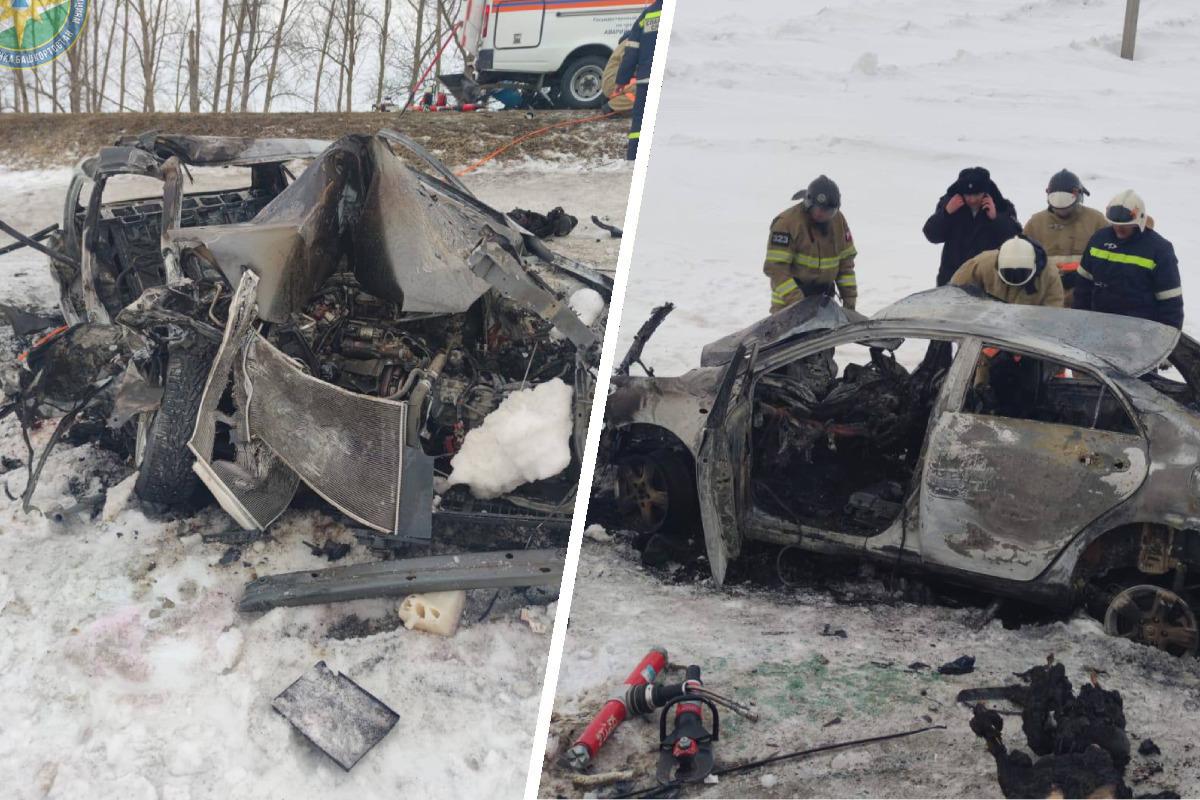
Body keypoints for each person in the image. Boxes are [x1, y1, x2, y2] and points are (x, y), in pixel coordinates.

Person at [1074, 190, 1183, 329]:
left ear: (1139, 220)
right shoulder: (1098, 240)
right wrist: (1079, 323)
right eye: (1114, 224)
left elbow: (1170, 303)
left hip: (1140, 334)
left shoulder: (1160, 250)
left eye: (1125, 225)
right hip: (1097, 327)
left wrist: (1166, 338)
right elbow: (1082, 288)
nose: (1118, 229)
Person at [762, 175, 857, 314]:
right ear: (808, 202)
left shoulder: (838, 221)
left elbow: (846, 265)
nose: (821, 214)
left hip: (824, 305)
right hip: (788, 306)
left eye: (828, 211)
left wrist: (849, 303)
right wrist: (798, 304)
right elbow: (776, 269)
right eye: (818, 208)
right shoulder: (787, 223)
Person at [923, 166, 1022, 286]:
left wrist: (996, 218)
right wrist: (946, 213)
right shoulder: (949, 204)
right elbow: (932, 235)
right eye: (968, 195)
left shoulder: (1002, 207)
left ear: (985, 191)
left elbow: (1015, 241)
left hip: (988, 281)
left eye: (977, 194)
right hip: (952, 280)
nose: (972, 199)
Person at [1022, 169, 1107, 307]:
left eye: (1066, 208)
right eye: (1057, 208)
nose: (1061, 212)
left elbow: (1110, 259)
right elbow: (1022, 260)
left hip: (1085, 297)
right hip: (1048, 298)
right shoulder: (1036, 223)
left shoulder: (1096, 221)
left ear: (1078, 196)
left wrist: (1081, 277)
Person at [950, 235, 1064, 308]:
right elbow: (953, 292)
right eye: (1009, 273)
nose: (1015, 278)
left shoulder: (1050, 275)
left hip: (1028, 332)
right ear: (998, 265)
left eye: (1021, 274)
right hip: (986, 327)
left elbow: (1053, 314)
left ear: (1033, 267)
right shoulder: (982, 264)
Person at [616, 0, 662, 160]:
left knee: (639, 123)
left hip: (645, 79)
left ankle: (633, 158)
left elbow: (632, 51)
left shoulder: (647, 14)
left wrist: (622, 80)